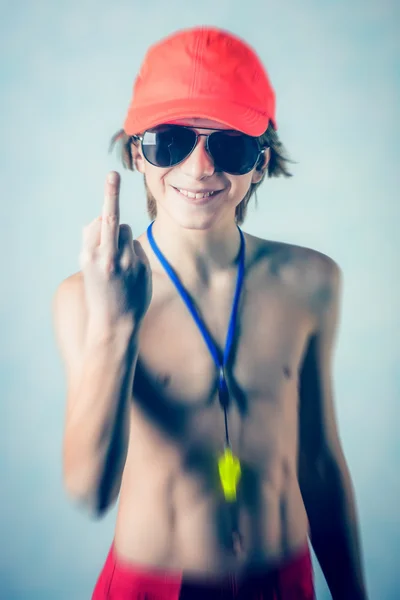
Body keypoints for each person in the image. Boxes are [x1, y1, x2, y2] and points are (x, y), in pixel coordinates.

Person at [53, 25, 368, 600]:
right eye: (170, 141)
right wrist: (117, 326)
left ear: (261, 160)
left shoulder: (312, 281)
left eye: (228, 145)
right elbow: (89, 490)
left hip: (283, 581)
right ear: (135, 153)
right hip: (152, 586)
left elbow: (320, 464)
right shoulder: (85, 295)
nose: (199, 168)